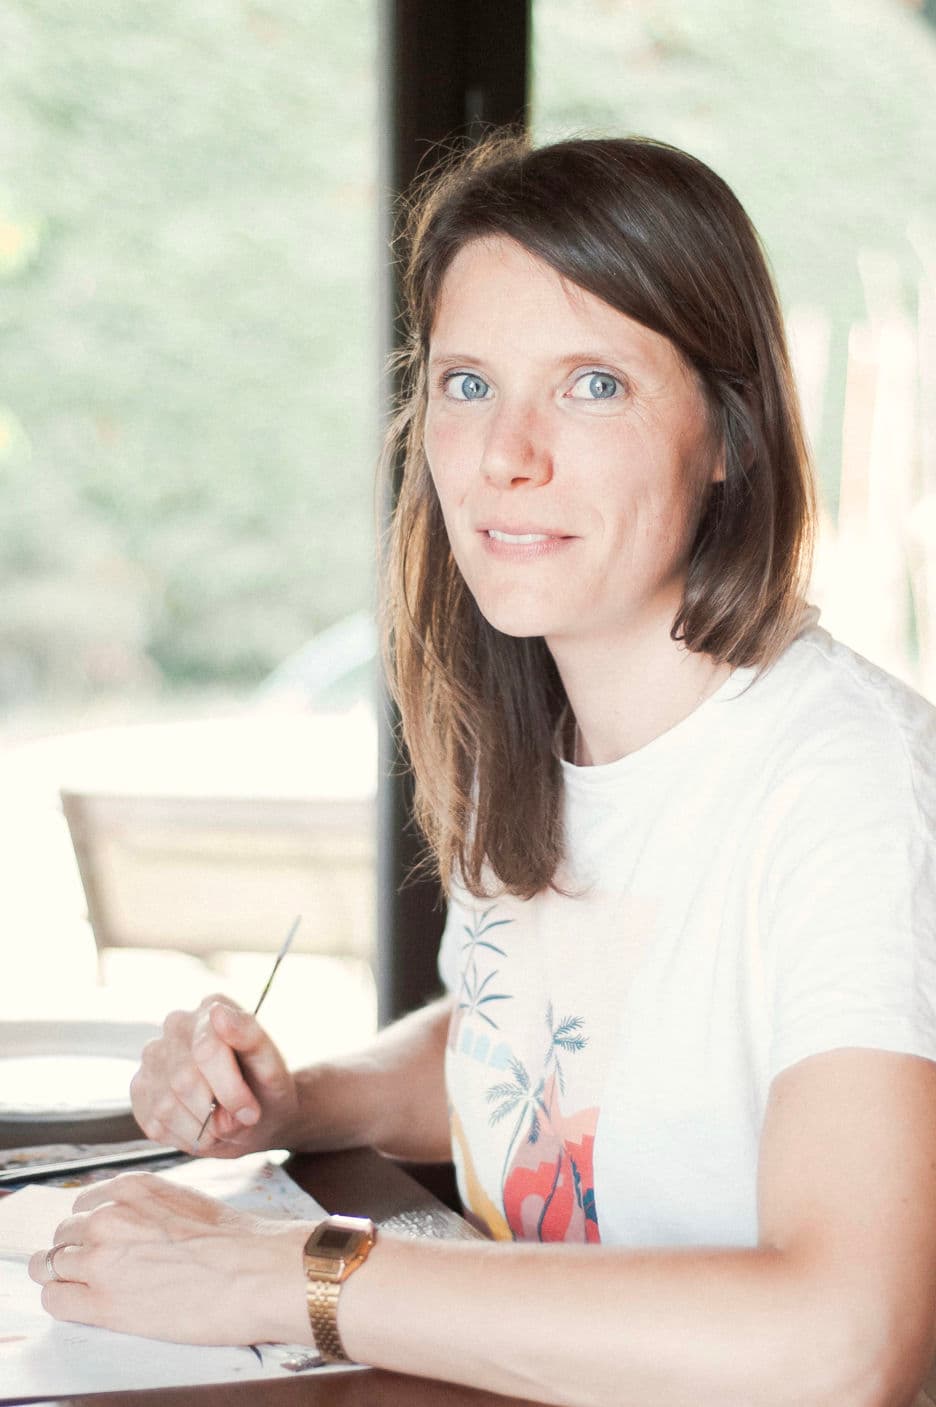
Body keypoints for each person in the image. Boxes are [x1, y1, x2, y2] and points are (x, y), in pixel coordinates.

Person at [30, 133, 936, 1407]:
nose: (507, 454)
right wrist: (304, 1099)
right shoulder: (539, 724)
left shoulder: (851, 785)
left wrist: (290, 1273)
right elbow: (546, 1038)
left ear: (730, 435)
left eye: (593, 386)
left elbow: (846, 1343)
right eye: (467, 384)